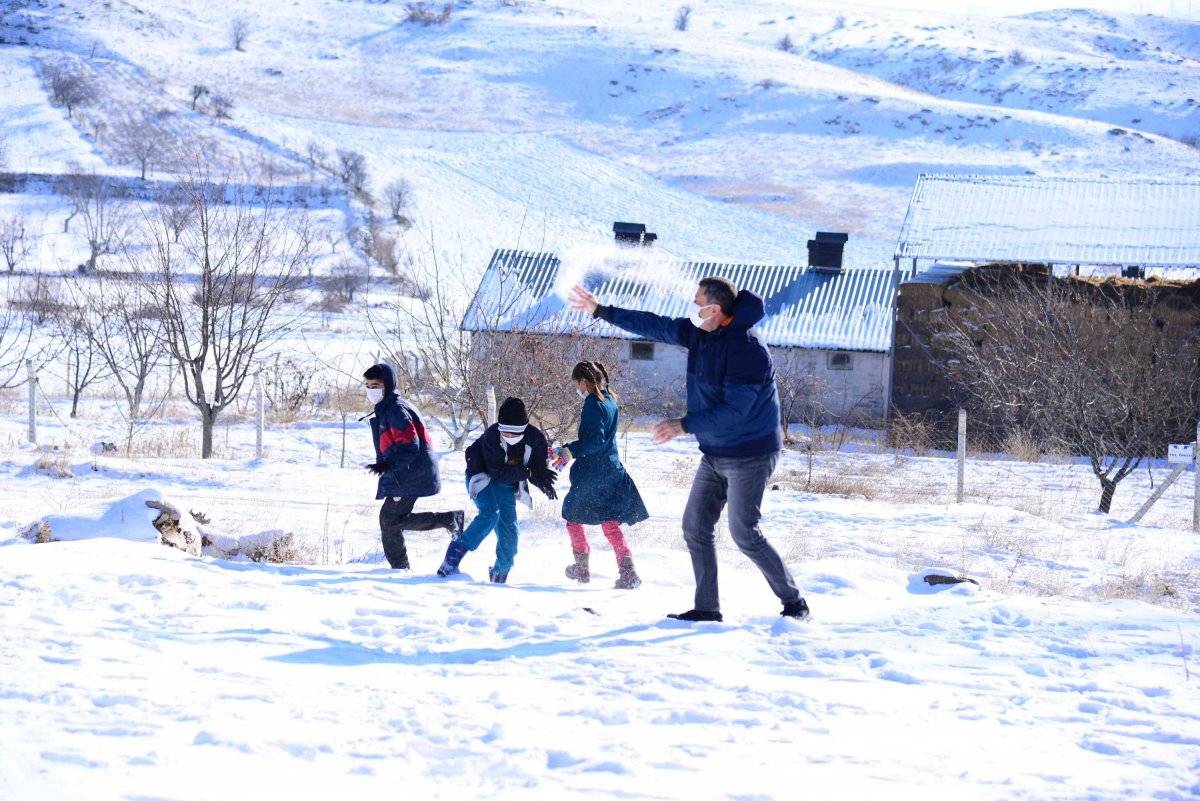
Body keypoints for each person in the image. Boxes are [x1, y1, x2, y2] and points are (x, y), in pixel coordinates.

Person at [568, 278, 810, 622]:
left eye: (697, 302)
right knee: (695, 526)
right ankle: (707, 608)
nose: (691, 307)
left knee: (744, 532)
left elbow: (735, 410)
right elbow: (654, 324)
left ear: (713, 309)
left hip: (751, 453)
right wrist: (600, 310)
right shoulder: (701, 334)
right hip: (716, 452)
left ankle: (795, 603)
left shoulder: (748, 350)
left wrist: (683, 424)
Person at [437, 397, 558, 583]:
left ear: (524, 428)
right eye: (505, 431)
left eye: (514, 432)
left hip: (507, 484)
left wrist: (543, 481)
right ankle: (451, 559)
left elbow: (535, 468)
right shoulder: (492, 436)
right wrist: (530, 472)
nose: (508, 435)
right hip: (482, 476)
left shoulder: (536, 439)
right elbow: (499, 472)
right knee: (490, 513)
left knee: (510, 532)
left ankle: (499, 575)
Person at [552, 361, 648, 589]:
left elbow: (594, 441)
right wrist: (568, 451)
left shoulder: (593, 405)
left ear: (583, 382)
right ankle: (628, 573)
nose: (576, 387)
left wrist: (569, 451)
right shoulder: (610, 399)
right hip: (611, 469)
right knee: (610, 521)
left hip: (594, 472)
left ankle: (582, 568)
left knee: (572, 516)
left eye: (576, 383)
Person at [363, 363, 464, 570]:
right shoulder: (388, 406)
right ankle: (400, 567)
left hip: (409, 474)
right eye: (368, 385)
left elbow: (410, 446)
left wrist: (387, 465)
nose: (371, 390)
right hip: (407, 472)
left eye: (376, 385)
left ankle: (449, 520)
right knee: (390, 520)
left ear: (388, 385)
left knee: (390, 520)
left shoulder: (396, 409)